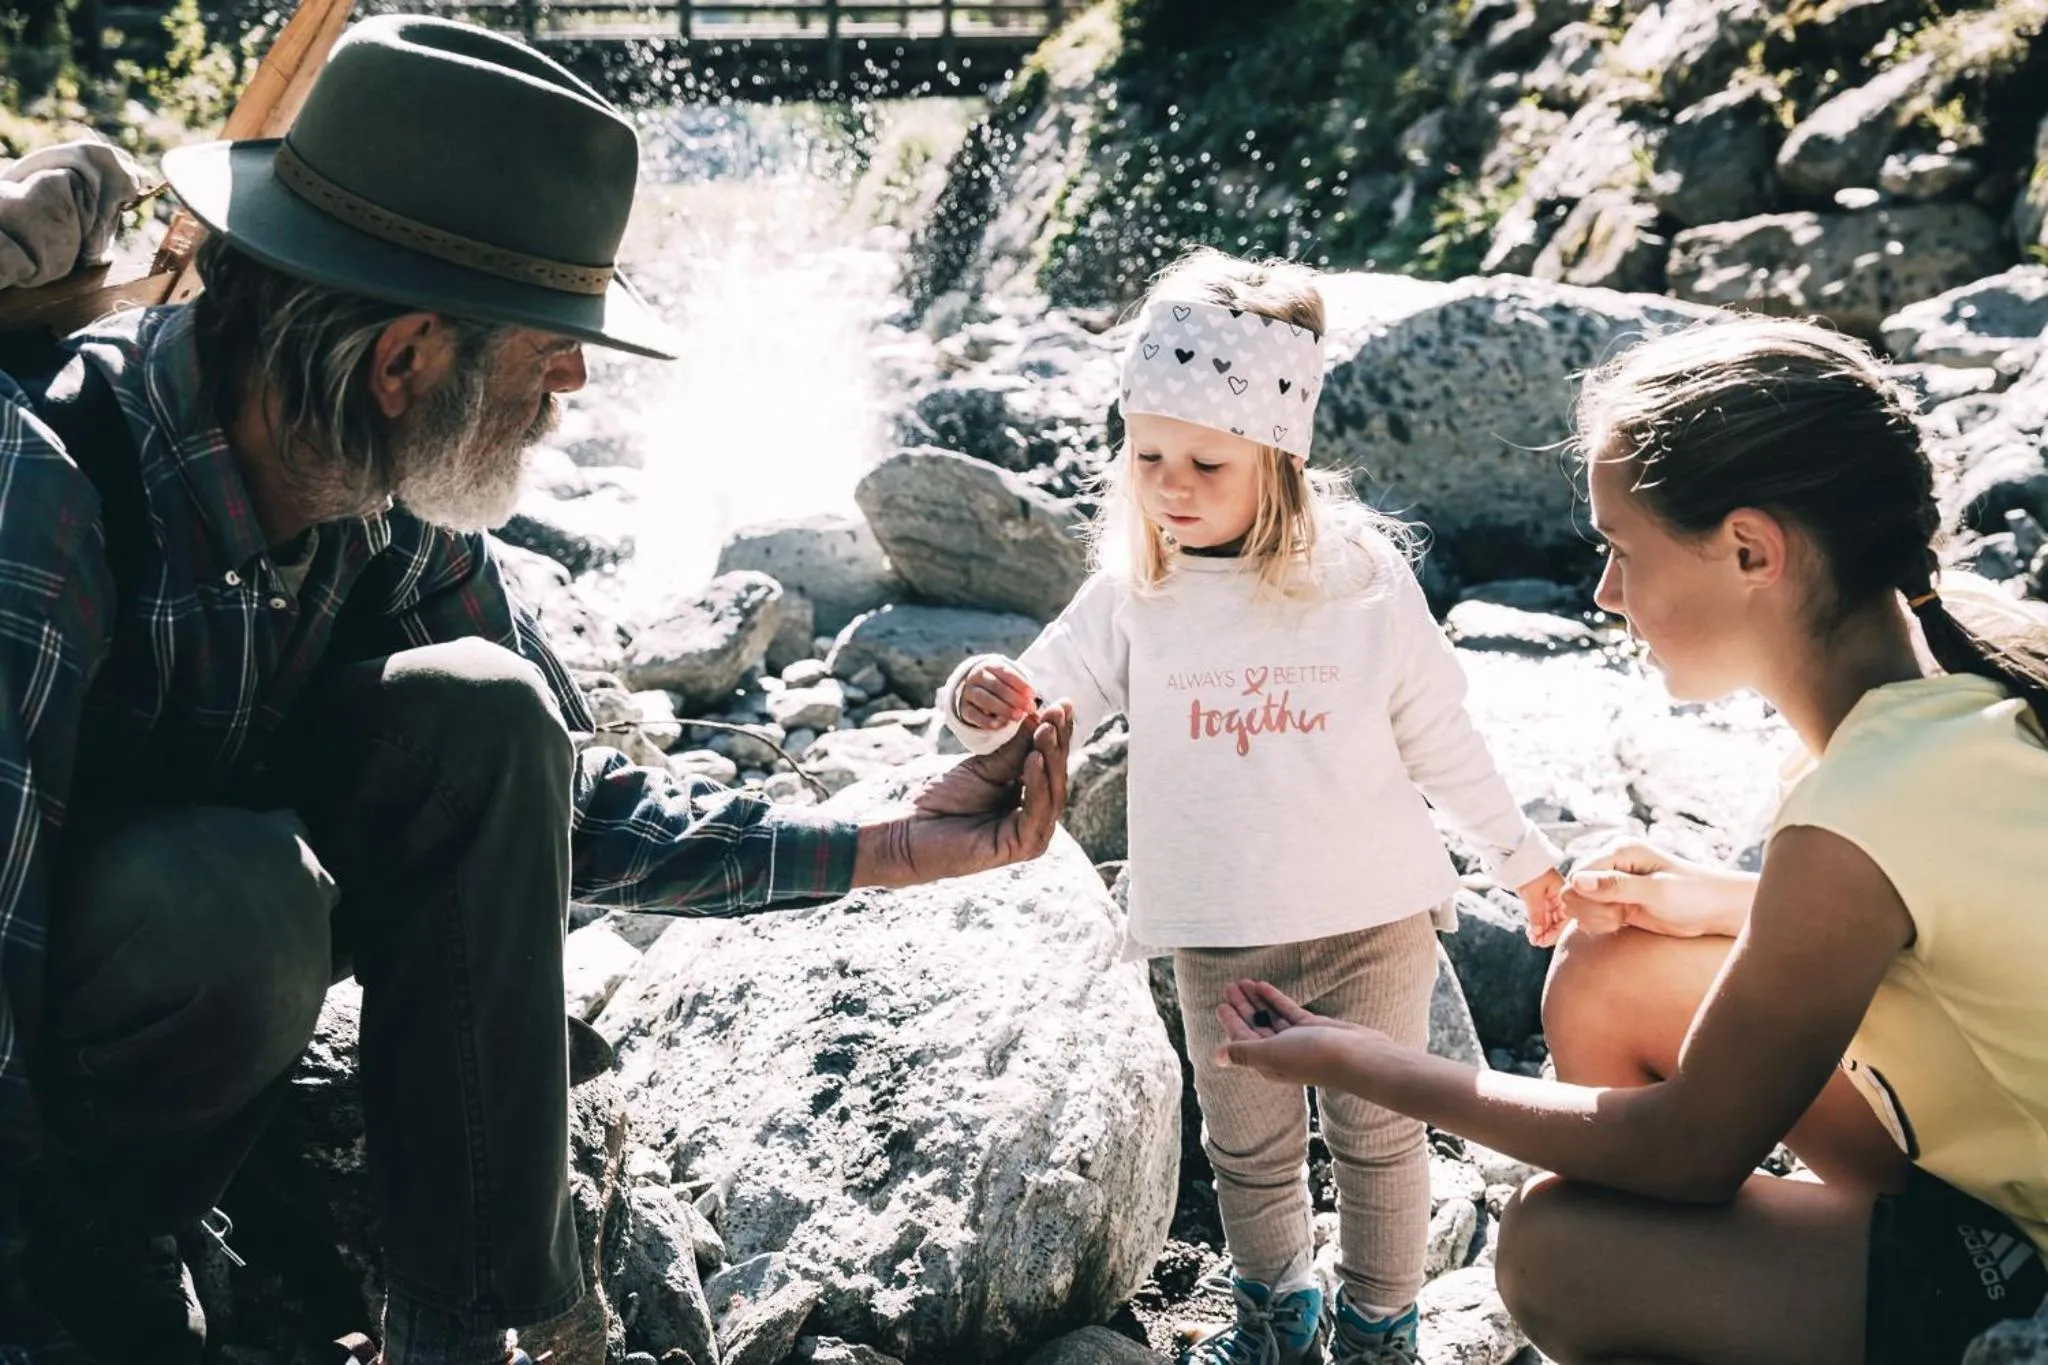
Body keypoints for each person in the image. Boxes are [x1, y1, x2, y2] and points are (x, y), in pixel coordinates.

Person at [0, 16, 1074, 1365]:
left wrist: (903, 840)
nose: (573, 384)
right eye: (549, 348)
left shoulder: (370, 485)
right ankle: (116, 1268)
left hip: (157, 1019)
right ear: (404, 360)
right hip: (68, 1035)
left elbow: (559, 803)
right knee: (238, 895)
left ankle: (471, 1319)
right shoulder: (39, 494)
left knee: (482, 707)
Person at [1211, 317, 2048, 1365]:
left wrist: (1372, 1064)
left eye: (1619, 550)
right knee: (1613, 968)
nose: (1604, 595)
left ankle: (1705, 1295)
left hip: (2023, 1266)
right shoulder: (1962, 671)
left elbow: (1693, 1151)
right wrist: (1725, 901)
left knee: (1553, 1252)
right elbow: (1971, 908)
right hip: (1998, 1147)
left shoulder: (1857, 809)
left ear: (1750, 550)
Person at [938, 248, 1568, 1365]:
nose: (1169, 485)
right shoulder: (1138, 594)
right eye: (1146, 456)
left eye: (1205, 464)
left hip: (1370, 918)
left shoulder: (1360, 576)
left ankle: (1380, 1324)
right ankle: (1276, 1316)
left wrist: (1517, 857)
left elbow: (1437, 729)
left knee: (1380, 1139)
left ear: (1276, 458)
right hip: (1219, 932)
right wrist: (979, 700)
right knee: (1249, 1150)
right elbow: (1033, 703)